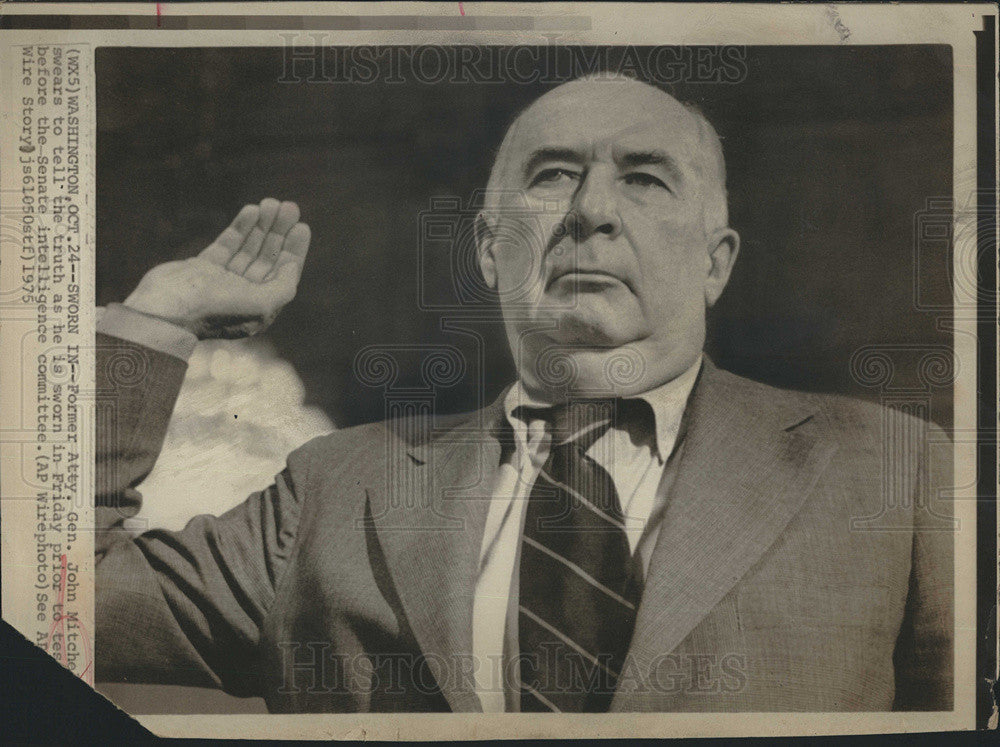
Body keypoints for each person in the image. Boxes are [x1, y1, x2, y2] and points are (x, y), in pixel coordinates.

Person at [95, 76, 953, 713]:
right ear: (488, 250)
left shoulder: (894, 470)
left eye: (645, 179)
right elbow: (55, 604)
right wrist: (153, 322)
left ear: (715, 260)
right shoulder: (330, 489)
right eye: (551, 176)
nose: (591, 212)